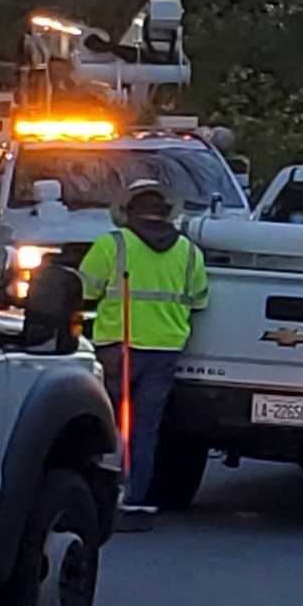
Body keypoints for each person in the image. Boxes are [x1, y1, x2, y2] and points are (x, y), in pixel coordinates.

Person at [79, 179, 212, 521]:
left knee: (106, 426)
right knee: (145, 429)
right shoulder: (189, 252)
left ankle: (104, 495)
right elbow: (199, 299)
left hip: (117, 347)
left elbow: (85, 290)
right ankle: (135, 497)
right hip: (165, 350)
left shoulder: (113, 244)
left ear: (128, 211)